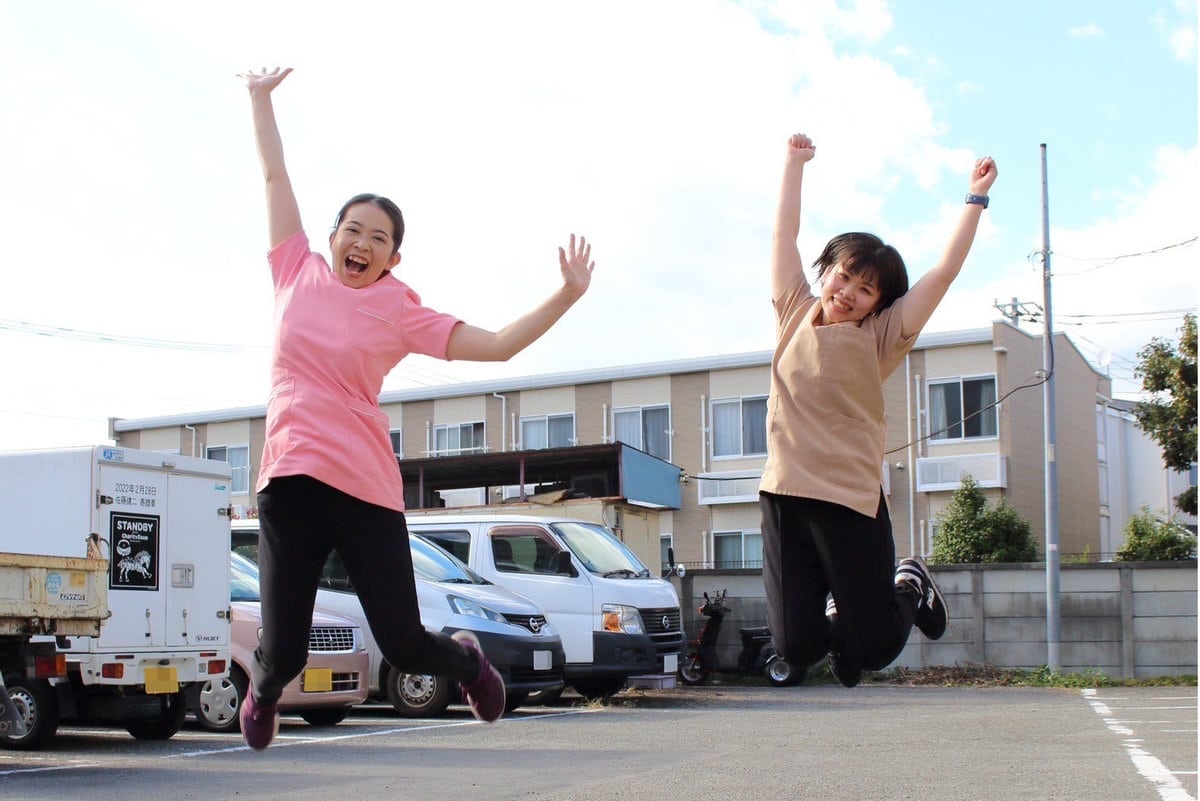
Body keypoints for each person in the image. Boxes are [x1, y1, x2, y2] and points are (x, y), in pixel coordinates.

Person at [236, 67, 595, 750]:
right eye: (353, 229)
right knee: (281, 656)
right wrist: (259, 99)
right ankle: (262, 689)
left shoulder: (398, 308)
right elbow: (275, 179)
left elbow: (493, 346)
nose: (361, 244)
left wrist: (565, 297)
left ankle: (466, 661)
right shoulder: (295, 268)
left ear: (393, 257)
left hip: (364, 490)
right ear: (333, 235)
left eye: (377, 238)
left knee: (403, 641)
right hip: (288, 482)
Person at [759, 132, 997, 688]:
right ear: (827, 272)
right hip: (784, 493)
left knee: (871, 650)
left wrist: (975, 199)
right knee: (795, 646)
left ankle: (910, 582)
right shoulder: (794, 308)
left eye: (865, 290)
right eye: (844, 275)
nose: (848, 292)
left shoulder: (883, 336)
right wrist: (794, 163)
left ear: (878, 304)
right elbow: (783, 233)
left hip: (848, 498)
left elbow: (942, 275)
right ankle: (840, 621)